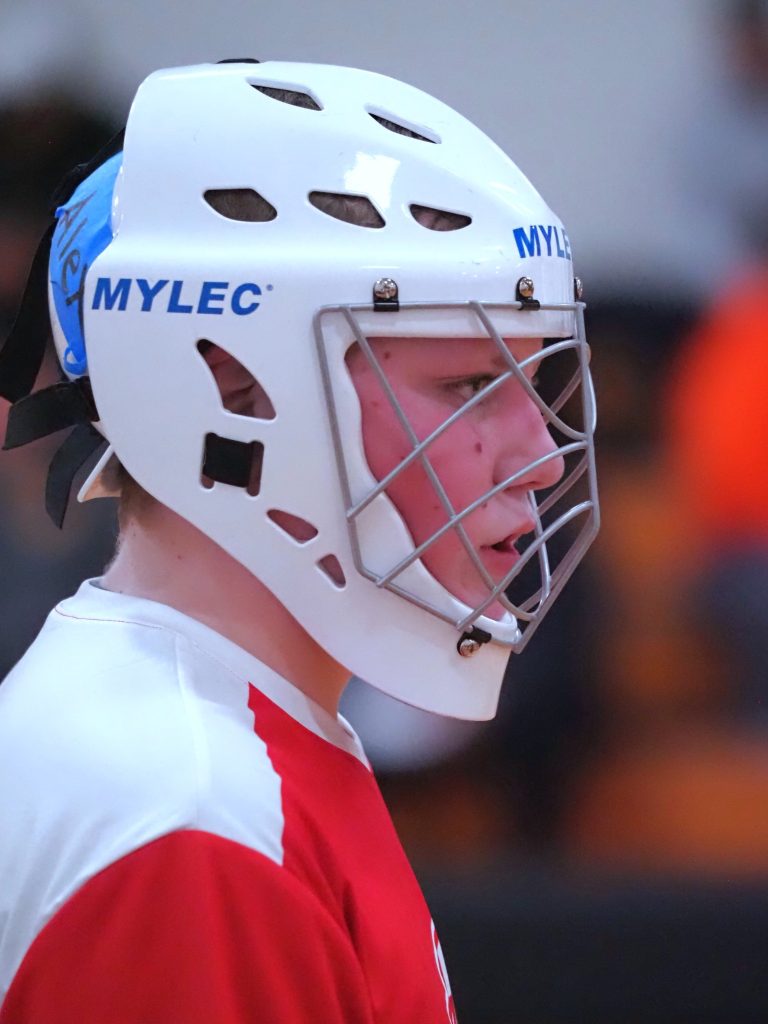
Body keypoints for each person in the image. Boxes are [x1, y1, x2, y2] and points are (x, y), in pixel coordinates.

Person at [0, 60, 598, 1022]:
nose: (540, 457)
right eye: (470, 386)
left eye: (535, 382)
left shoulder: (214, 738)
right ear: (230, 384)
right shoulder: (193, 817)